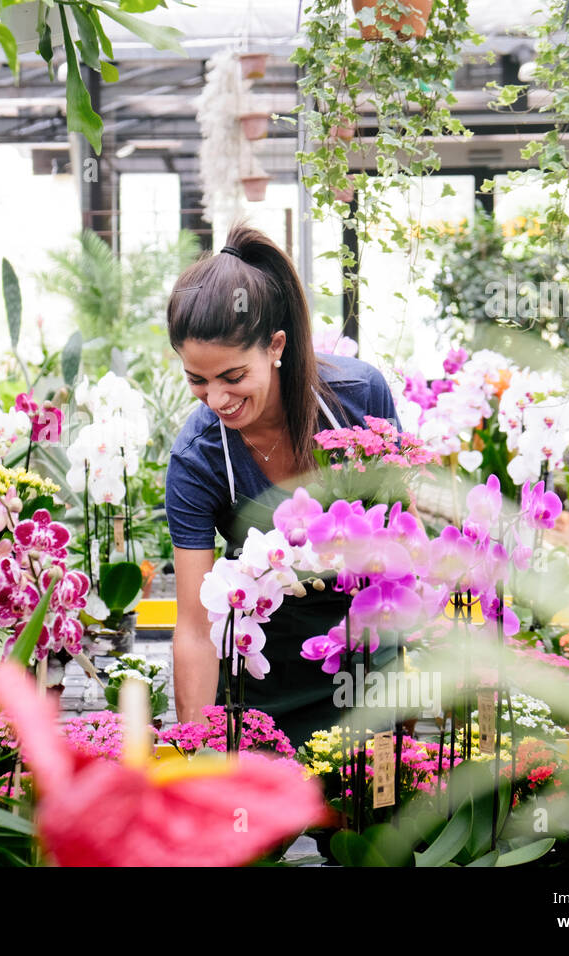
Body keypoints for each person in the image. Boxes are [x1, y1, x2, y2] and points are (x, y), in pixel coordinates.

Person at [164, 222, 401, 746]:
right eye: (196, 379)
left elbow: (400, 544)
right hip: (261, 684)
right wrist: (195, 749)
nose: (216, 400)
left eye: (232, 377)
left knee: (366, 822)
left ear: (275, 346)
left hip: (361, 668)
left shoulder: (360, 401)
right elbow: (196, 628)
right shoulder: (198, 458)